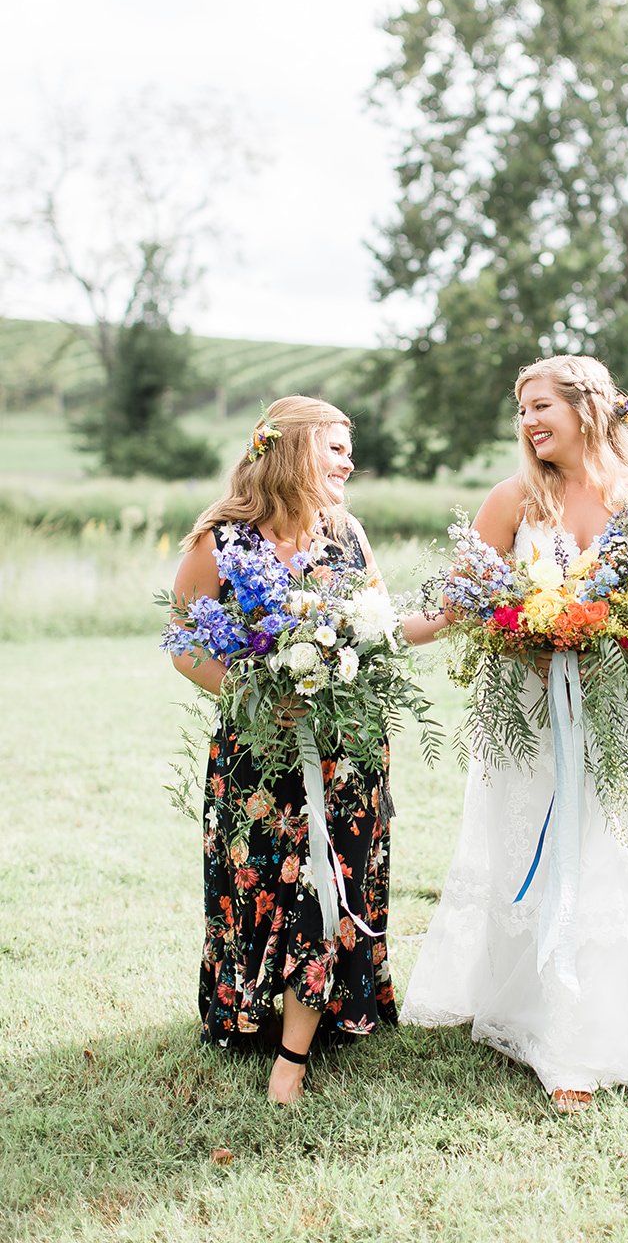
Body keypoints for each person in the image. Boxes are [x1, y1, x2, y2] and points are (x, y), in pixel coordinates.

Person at [401, 355, 628, 1110]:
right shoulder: (514, 499)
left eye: (539, 406)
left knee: (600, 856)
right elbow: (457, 600)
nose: (527, 422)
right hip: (524, 715)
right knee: (526, 851)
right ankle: (528, 1008)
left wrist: (610, 631)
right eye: (520, 409)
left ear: (586, 408)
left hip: (618, 712)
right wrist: (374, 635)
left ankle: (578, 1044)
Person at [170, 395, 395, 1104]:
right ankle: (250, 1006)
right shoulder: (222, 540)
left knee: (327, 881)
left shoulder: (347, 532)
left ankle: (296, 1052)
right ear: (295, 450)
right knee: (257, 882)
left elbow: (379, 626)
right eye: (336, 447)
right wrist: (252, 688)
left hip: (348, 749)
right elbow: (183, 642)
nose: (348, 462)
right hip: (258, 750)